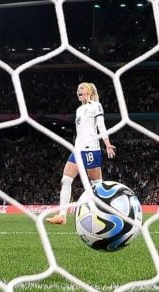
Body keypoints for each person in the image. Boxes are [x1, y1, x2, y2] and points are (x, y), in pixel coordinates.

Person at [45, 82, 116, 225]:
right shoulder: (79, 110)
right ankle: (62, 215)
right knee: (65, 180)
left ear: (88, 92)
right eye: (78, 89)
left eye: (82, 88)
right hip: (78, 150)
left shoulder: (96, 106)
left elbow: (101, 125)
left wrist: (107, 144)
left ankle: (104, 212)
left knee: (96, 185)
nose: (79, 90)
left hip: (91, 149)